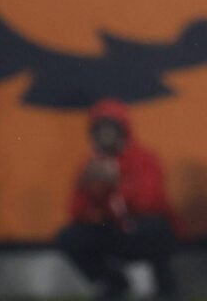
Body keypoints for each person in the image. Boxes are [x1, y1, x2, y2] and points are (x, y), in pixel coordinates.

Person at [57, 98, 181, 301]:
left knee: (159, 228)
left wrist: (118, 186)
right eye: (100, 129)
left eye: (110, 129)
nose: (105, 135)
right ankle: (113, 284)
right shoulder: (90, 165)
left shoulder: (143, 158)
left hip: (138, 230)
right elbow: (75, 211)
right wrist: (94, 194)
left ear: (123, 130)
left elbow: (150, 201)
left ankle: (165, 287)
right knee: (69, 237)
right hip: (111, 231)